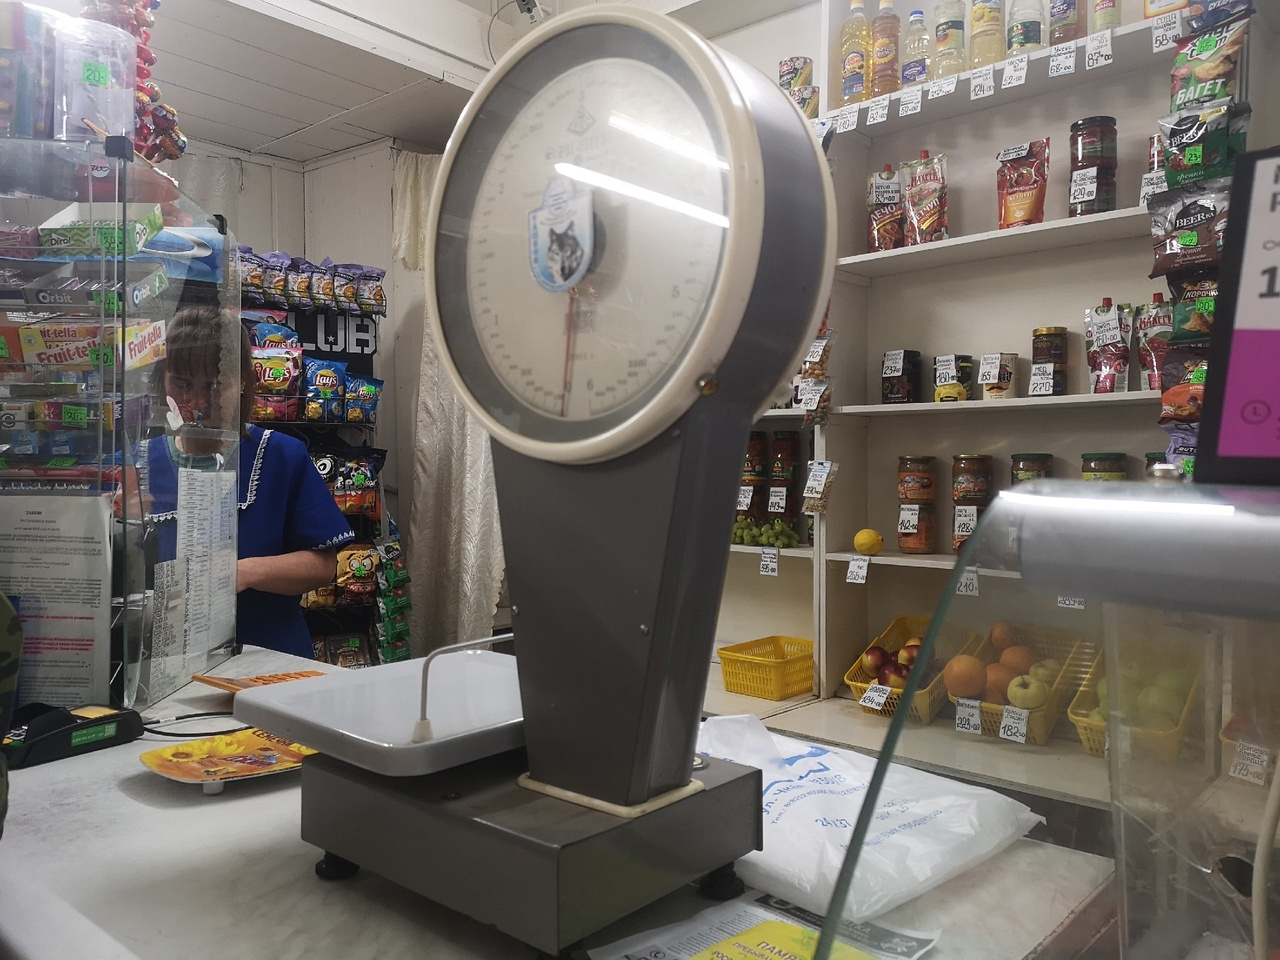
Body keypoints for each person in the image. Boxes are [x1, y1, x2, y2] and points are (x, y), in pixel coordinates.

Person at [141, 306, 353, 658]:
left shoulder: (282, 456)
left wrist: (244, 572)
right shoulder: (137, 463)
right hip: (167, 662)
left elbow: (323, 566)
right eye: (182, 383)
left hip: (269, 659)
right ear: (162, 378)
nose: (197, 402)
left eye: (214, 385)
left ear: (242, 381)